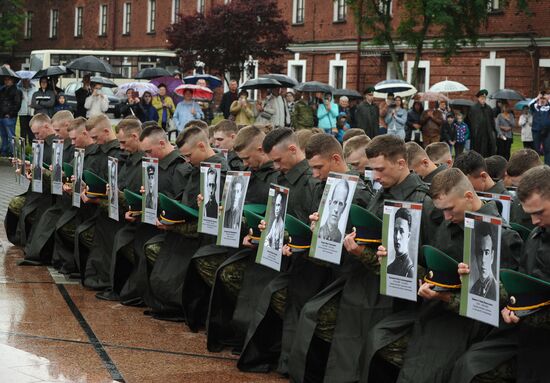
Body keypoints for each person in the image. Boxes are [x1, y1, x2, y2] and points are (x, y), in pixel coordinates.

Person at [469, 222, 498, 300]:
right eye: (480, 253)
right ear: (475, 254)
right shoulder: (473, 289)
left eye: (487, 252)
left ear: (492, 256)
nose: (483, 260)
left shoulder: (496, 290)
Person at [468, 89, 497, 157]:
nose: (483, 99)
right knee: (477, 150)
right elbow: (471, 122)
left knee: (488, 150)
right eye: (481, 98)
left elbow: (492, 121)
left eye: (484, 98)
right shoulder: (474, 108)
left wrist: (493, 131)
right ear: (478, 98)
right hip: (477, 134)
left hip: (487, 133)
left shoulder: (489, 108)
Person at [387, 207, 414, 277]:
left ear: (408, 236)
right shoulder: (389, 268)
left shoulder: (410, 270)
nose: (397, 237)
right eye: (395, 230)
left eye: (401, 231)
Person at [0, 74, 21, 157]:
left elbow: (17, 104)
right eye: (5, 80)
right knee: (3, 136)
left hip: (10, 117)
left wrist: (10, 114)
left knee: (11, 136)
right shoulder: (2, 90)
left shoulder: (17, 90)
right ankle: (4, 152)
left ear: (12, 81)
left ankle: (13, 153)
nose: (6, 81)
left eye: (8, 79)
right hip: (1, 116)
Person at [17, 77, 36, 144]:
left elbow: (36, 98)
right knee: (23, 130)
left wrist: (33, 104)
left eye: (27, 80)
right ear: (22, 81)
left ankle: (31, 144)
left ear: (29, 81)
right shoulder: (19, 89)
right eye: (24, 80)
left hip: (31, 112)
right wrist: (19, 96)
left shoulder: (33, 89)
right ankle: (23, 145)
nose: (26, 82)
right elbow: (17, 99)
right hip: (22, 112)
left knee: (31, 129)